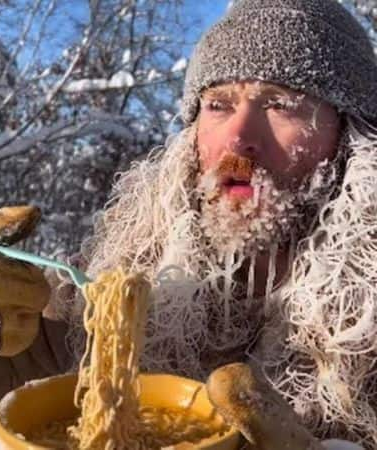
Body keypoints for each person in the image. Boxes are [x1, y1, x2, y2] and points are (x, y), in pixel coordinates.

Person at [46, 0, 377, 446]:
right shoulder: (115, 270)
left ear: (351, 137)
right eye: (218, 105)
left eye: (280, 105)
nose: (239, 138)